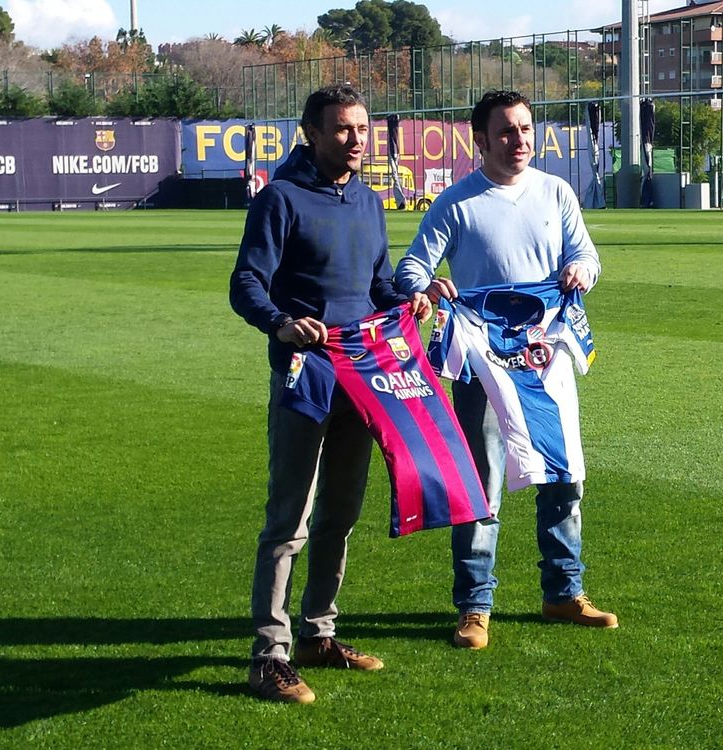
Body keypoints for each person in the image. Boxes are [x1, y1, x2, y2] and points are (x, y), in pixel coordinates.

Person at [394, 90, 617, 650]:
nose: (519, 141)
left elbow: (586, 255)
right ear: (481, 139)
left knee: (564, 475)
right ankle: (475, 606)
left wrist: (580, 273)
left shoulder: (556, 192)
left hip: (544, 358)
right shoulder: (457, 202)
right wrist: (429, 284)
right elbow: (410, 268)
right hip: (483, 363)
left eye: (525, 129)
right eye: (506, 132)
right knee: (481, 486)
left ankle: (563, 592)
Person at [230, 84, 430, 703]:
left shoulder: (369, 202)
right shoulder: (279, 201)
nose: (356, 140)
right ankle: (269, 654)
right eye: (342, 129)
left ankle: (319, 632)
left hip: (363, 376)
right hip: (306, 377)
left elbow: (375, 285)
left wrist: (411, 301)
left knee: (340, 514)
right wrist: (281, 323)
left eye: (362, 129)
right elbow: (246, 282)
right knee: (288, 518)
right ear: (311, 134)